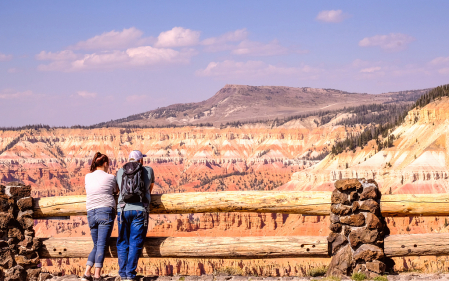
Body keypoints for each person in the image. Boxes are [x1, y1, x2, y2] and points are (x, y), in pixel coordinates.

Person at [116, 150, 154, 281]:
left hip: (122, 210)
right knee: (135, 242)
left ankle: (122, 273)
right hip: (140, 210)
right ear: (141, 160)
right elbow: (150, 188)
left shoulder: (120, 171)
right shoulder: (148, 170)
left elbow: (119, 189)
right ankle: (130, 274)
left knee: (122, 242)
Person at [82, 152, 118, 281]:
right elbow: (116, 191)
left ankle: (87, 273)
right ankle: (97, 275)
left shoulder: (87, 176)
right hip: (105, 211)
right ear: (106, 164)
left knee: (96, 244)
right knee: (102, 244)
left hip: (91, 212)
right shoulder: (110, 177)